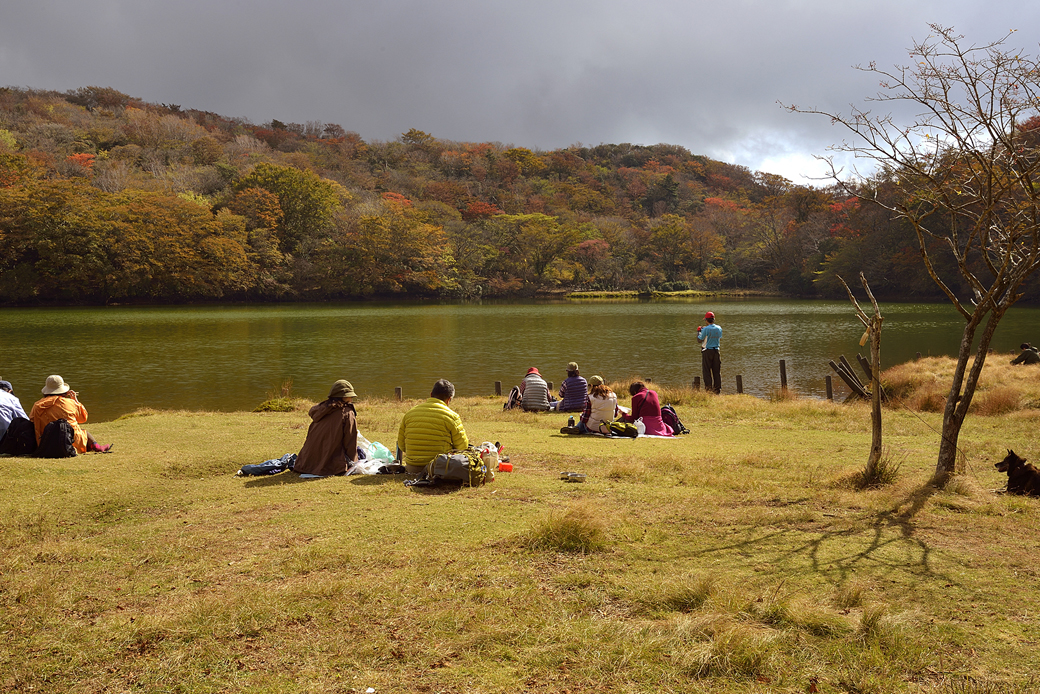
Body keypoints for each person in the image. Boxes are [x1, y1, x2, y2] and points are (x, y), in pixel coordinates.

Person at [396, 379, 469, 474]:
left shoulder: (410, 413)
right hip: (440, 468)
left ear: (431, 394)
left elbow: (401, 445)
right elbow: (462, 446)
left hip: (412, 468)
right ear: (449, 399)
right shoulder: (452, 416)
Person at [293, 379, 359, 477]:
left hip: (305, 462)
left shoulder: (322, 409)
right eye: (350, 396)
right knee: (361, 453)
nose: (351, 399)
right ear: (344, 397)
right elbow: (350, 441)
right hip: (328, 464)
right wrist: (354, 463)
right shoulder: (347, 413)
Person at [29, 375, 111, 453]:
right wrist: (75, 400)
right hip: (70, 442)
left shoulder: (37, 405)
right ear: (63, 390)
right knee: (83, 432)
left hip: (45, 443)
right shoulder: (70, 403)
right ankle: (96, 446)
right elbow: (83, 418)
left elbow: (31, 421)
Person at [697, 311, 722, 394]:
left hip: (707, 351)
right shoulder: (719, 328)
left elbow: (699, 340)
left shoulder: (706, 329)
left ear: (707, 320)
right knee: (717, 372)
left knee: (707, 371)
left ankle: (708, 390)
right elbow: (718, 337)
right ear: (713, 319)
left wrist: (699, 331)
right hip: (716, 351)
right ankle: (717, 390)